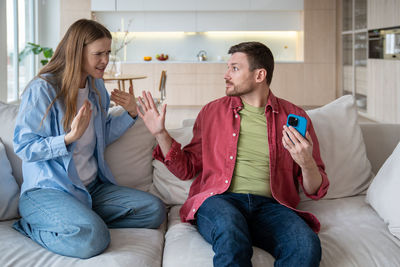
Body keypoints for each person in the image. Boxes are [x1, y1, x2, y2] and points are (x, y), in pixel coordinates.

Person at [138, 41, 329, 267]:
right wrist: (160, 133)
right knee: (230, 232)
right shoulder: (212, 112)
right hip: (219, 200)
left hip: (272, 206)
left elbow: (314, 189)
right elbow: (187, 168)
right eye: (227, 67)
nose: (226, 74)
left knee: (305, 245)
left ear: (259, 75)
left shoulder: (294, 116)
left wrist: (306, 161)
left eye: (235, 68)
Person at [13, 19, 165, 259]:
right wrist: (68, 138)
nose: (105, 60)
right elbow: (24, 146)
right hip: (49, 190)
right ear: (77, 52)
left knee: (154, 210)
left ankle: (80, 218)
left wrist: (131, 113)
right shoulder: (42, 89)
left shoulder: (96, 86)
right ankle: (32, 225)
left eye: (108, 53)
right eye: (98, 54)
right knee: (94, 238)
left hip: (91, 189)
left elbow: (102, 133)